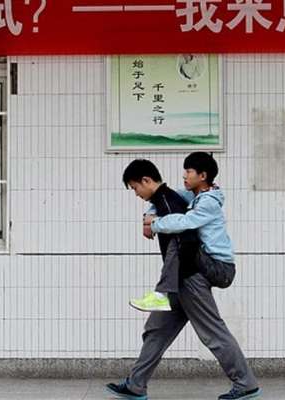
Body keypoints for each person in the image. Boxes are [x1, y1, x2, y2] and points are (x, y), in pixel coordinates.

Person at [106, 152, 261, 400]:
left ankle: (246, 384)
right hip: (184, 278)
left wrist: (154, 224)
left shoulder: (202, 202)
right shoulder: (185, 196)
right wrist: (149, 215)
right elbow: (167, 196)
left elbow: (186, 228)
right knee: (156, 330)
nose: (184, 175)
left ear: (203, 175)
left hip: (199, 273)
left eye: (135, 187)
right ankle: (136, 385)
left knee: (213, 333)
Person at [122, 159, 199, 312]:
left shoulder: (167, 201)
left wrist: (165, 287)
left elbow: (182, 241)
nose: (136, 194)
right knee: (155, 332)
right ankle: (160, 296)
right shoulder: (162, 201)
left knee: (212, 330)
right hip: (178, 281)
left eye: (135, 188)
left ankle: (160, 295)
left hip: (189, 279)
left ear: (146, 180)